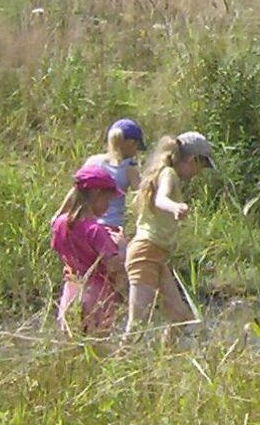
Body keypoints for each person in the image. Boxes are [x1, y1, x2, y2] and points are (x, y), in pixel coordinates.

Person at [124, 131, 214, 328]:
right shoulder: (169, 173)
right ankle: (118, 357)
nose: (198, 173)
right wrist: (175, 207)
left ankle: (168, 358)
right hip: (146, 252)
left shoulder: (162, 172)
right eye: (200, 166)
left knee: (181, 319)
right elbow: (161, 199)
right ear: (191, 159)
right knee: (137, 325)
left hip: (157, 255)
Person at [50, 156, 125, 335]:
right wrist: (122, 246)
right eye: (107, 200)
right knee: (97, 346)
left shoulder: (60, 223)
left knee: (71, 345)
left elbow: (56, 246)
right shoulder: (95, 230)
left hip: (70, 292)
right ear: (97, 195)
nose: (107, 207)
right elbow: (113, 265)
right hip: (97, 296)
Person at [97, 119, 145, 233]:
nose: (135, 152)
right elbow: (142, 196)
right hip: (112, 228)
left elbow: (76, 191)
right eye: (136, 147)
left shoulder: (93, 161)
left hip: (88, 225)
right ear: (131, 143)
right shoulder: (129, 169)